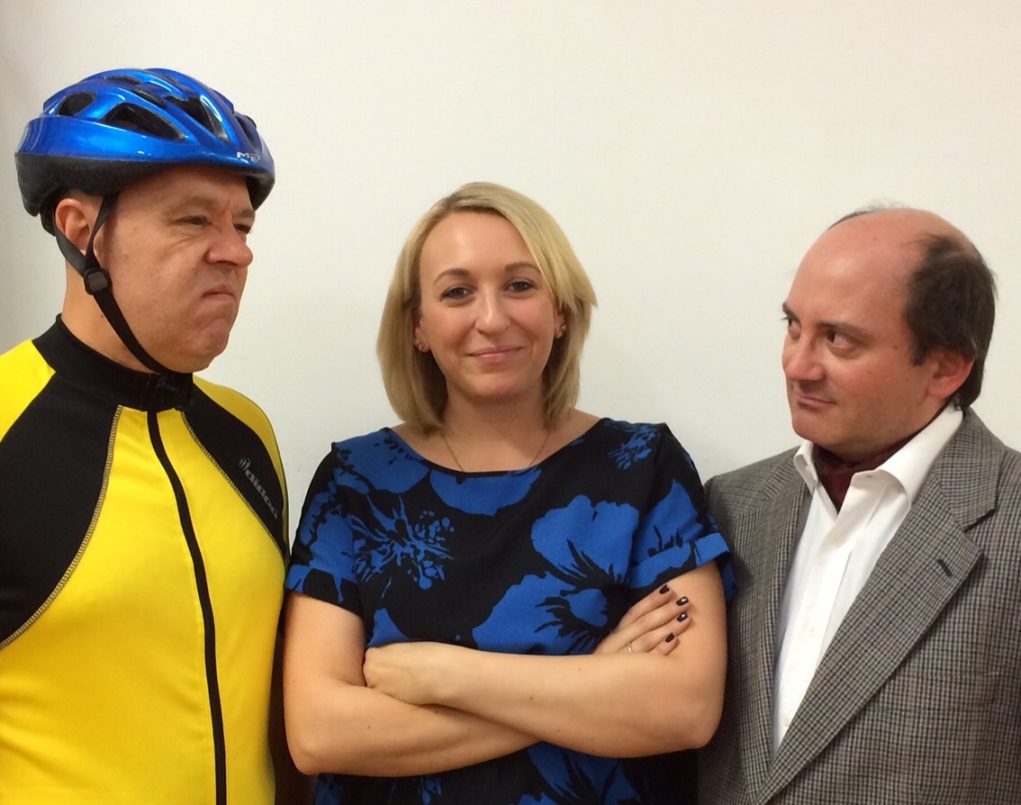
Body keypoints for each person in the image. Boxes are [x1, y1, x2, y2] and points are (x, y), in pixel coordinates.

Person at [283, 181, 733, 804]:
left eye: (520, 285)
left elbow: (685, 709)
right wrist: (595, 680)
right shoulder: (354, 481)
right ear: (417, 326)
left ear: (561, 311)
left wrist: (445, 675)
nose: (492, 319)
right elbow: (319, 733)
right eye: (457, 292)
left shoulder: (643, 466)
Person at [0, 68, 304, 803]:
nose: (236, 253)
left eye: (242, 226)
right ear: (81, 231)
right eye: (194, 220)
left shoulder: (246, 433)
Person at [698, 206, 1021, 803]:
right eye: (793, 325)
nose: (796, 365)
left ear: (946, 366)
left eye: (838, 339)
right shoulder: (731, 505)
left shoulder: (1011, 519)